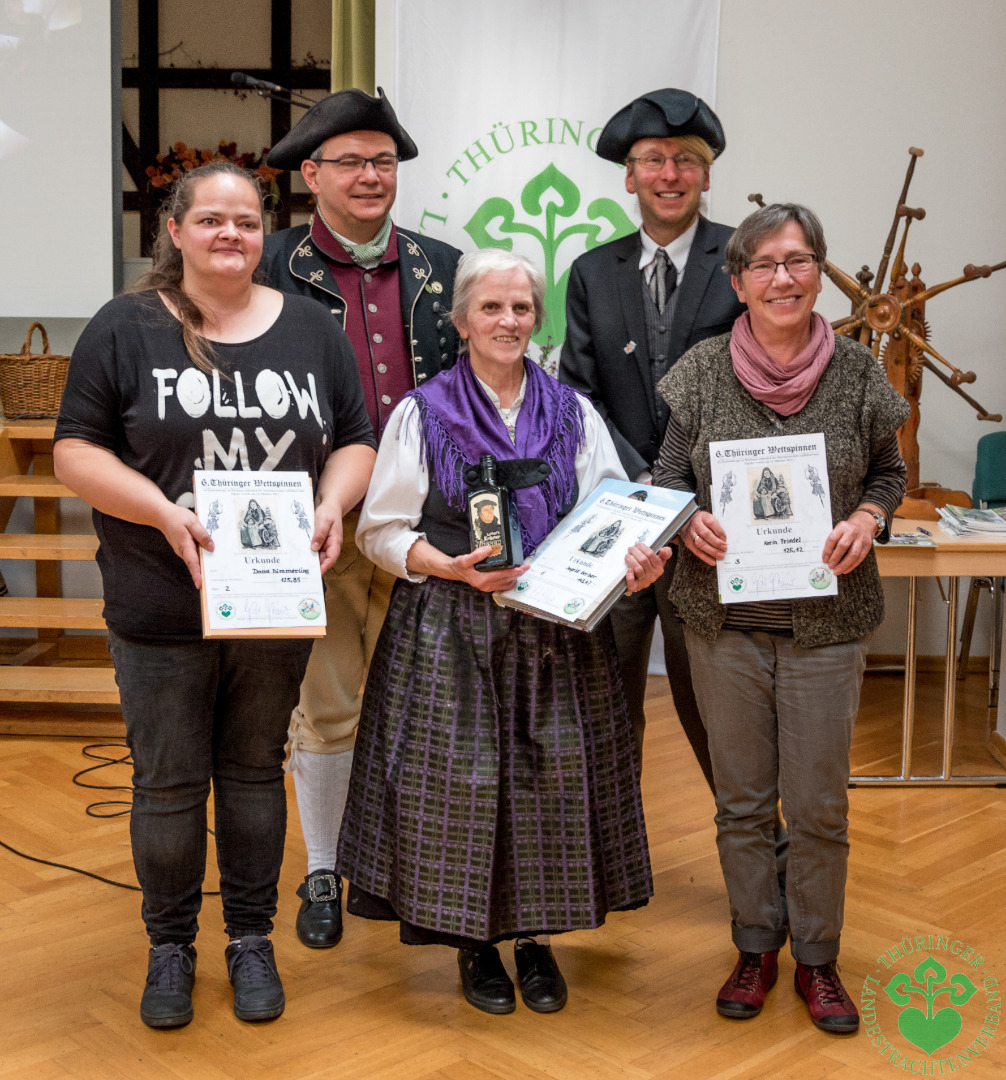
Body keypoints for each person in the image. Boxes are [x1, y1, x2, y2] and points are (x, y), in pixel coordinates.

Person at [52, 162, 377, 1028]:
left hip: (274, 599)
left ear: (264, 233)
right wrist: (162, 512)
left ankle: (249, 939)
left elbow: (355, 438)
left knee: (253, 770)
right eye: (211, 220)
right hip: (159, 598)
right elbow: (75, 450)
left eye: (246, 220)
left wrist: (332, 504)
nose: (230, 233)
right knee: (166, 783)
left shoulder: (311, 330)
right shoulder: (124, 327)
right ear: (176, 231)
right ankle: (170, 947)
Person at [337, 249, 666, 1016]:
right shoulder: (422, 412)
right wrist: (448, 567)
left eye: (521, 308)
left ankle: (534, 941)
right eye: (491, 307)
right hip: (450, 628)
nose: (508, 321)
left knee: (551, 784)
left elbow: (612, 515)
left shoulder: (573, 411)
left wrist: (634, 562)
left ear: (536, 319)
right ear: (461, 321)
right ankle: (474, 944)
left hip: (555, 630)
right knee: (464, 789)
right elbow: (380, 532)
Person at [653, 203, 909, 1033]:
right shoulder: (701, 370)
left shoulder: (859, 371)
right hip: (722, 626)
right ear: (739, 282)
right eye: (764, 264)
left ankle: (819, 958)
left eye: (798, 261)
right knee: (742, 803)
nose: (782, 278)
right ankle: (756, 944)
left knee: (820, 804)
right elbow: (666, 477)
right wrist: (687, 519)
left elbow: (890, 472)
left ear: (818, 274)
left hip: (827, 627)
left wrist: (868, 518)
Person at [262, 87, 463, 949]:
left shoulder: (442, 266)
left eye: (383, 161)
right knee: (328, 702)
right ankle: (323, 868)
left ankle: (406, 869)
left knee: (425, 705)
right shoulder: (270, 265)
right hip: (320, 519)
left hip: (427, 526)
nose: (371, 176)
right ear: (312, 175)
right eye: (350, 162)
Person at [560, 88, 745, 779]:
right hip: (623, 518)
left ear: (707, 174)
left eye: (686, 160)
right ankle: (611, 842)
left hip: (715, 522)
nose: (670, 174)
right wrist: (645, 482)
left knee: (719, 706)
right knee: (609, 704)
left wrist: (686, 493)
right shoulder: (590, 272)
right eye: (653, 160)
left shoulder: (745, 259)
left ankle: (752, 840)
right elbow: (580, 396)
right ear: (629, 176)